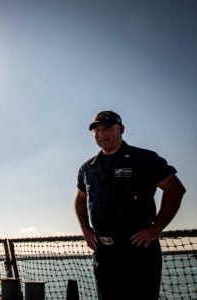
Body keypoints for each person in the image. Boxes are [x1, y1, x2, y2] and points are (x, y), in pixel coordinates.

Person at [74, 111, 186, 300]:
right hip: (105, 254)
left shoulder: (143, 158)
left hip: (138, 252)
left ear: (121, 129)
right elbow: (80, 198)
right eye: (97, 130)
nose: (101, 134)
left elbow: (175, 189)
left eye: (107, 128)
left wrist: (156, 228)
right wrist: (85, 229)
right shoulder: (88, 168)